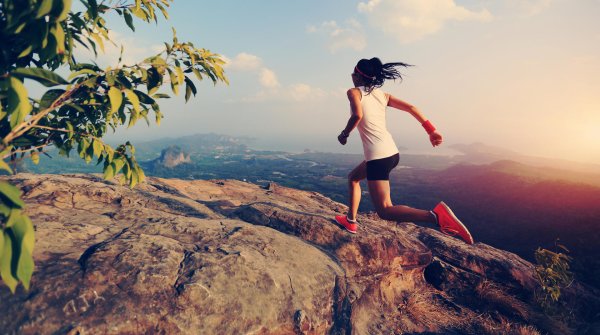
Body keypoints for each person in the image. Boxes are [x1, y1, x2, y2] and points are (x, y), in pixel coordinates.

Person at [335, 57, 474, 245]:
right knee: (353, 178)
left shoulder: (353, 92)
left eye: (353, 72)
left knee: (384, 210)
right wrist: (431, 130)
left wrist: (344, 134)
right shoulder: (382, 95)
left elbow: (357, 115)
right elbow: (411, 107)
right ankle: (350, 221)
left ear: (358, 76)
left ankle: (435, 216)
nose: (351, 76)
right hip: (391, 153)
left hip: (378, 157)